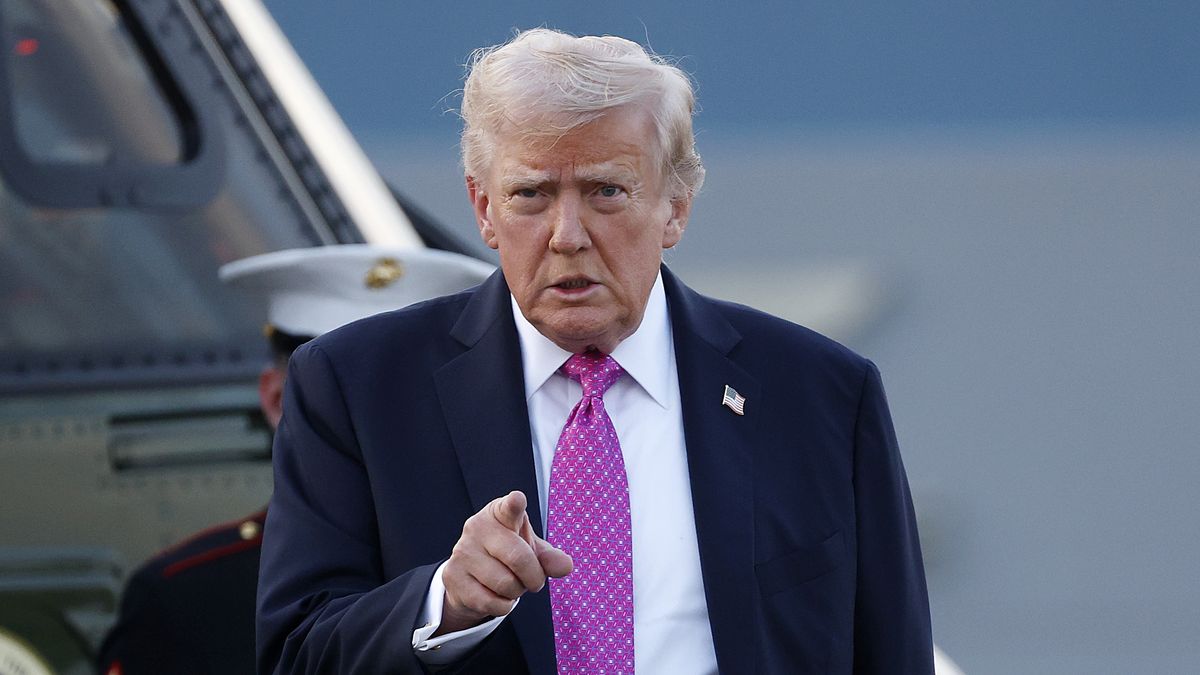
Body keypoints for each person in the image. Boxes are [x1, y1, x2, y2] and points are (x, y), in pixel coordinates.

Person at [257, 28, 934, 674]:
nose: (567, 235)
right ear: (484, 207)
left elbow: (891, 650)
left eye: (606, 191)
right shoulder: (358, 388)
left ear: (675, 206)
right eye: (531, 194)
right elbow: (295, 655)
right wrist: (443, 603)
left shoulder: (820, 394)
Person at [95, 245, 493, 675]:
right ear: (275, 400)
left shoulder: (507, 572)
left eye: (406, 398)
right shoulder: (186, 599)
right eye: (337, 397)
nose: (377, 423)